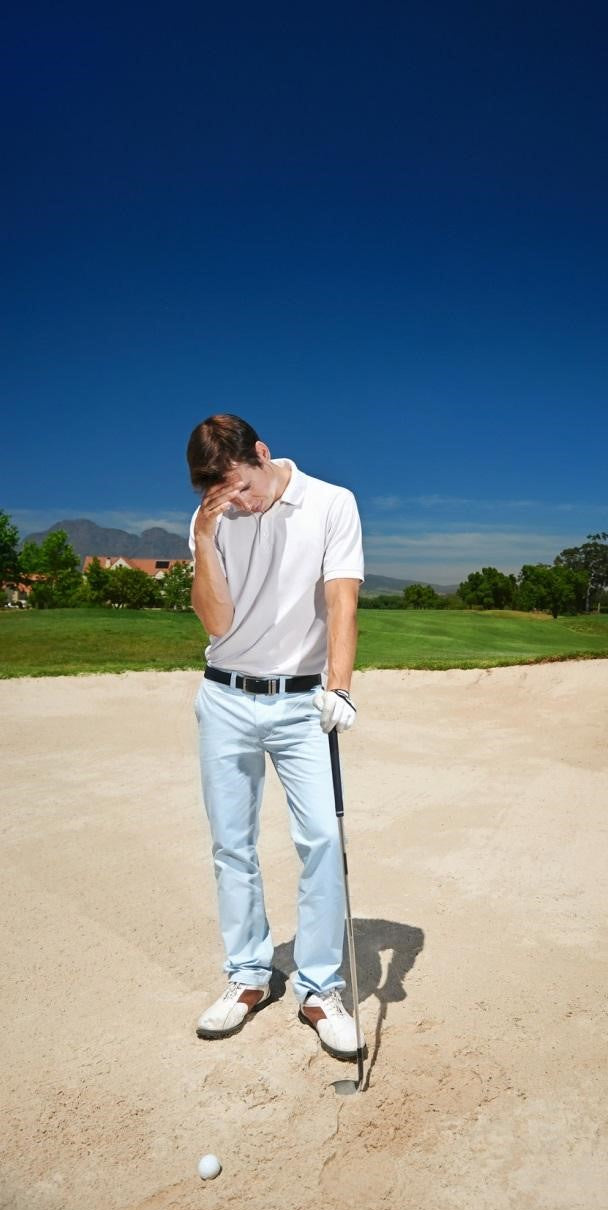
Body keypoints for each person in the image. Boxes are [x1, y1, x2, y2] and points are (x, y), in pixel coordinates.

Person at [186, 413, 366, 1061]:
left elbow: (342, 601)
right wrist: (206, 538)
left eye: (242, 486)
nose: (239, 502)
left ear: (262, 453)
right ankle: (248, 976)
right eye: (221, 495)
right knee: (231, 841)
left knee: (321, 837)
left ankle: (320, 989)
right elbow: (216, 617)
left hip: (299, 702)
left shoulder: (331, 503)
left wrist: (338, 687)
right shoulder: (212, 516)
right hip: (225, 695)